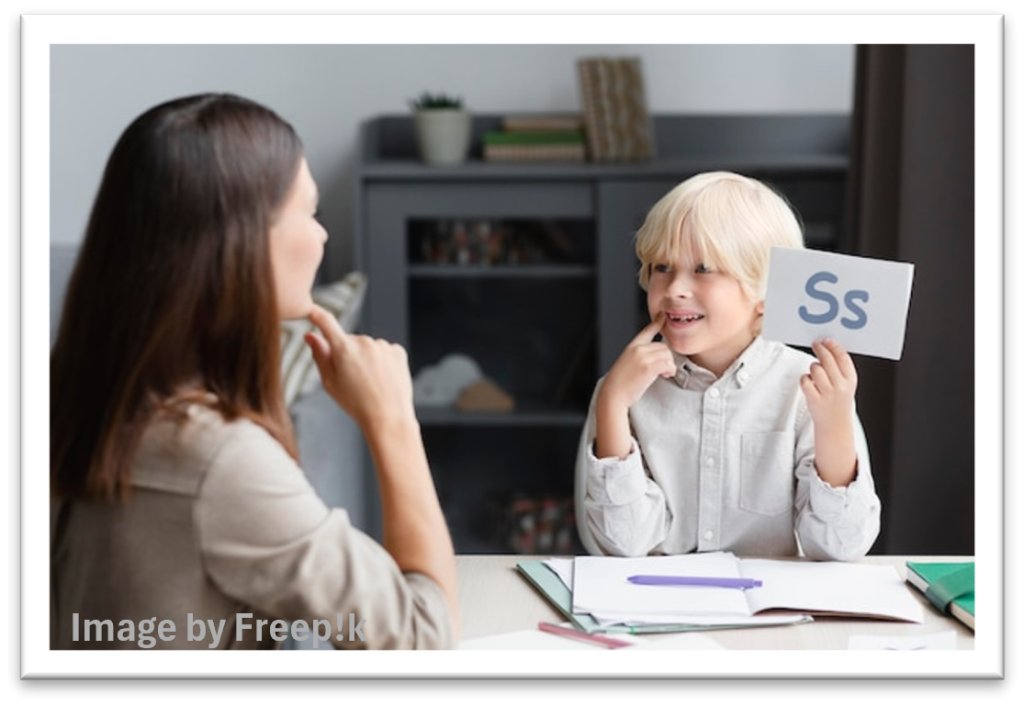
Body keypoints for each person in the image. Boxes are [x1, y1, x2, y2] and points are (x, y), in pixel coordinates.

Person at [50, 93, 458, 649]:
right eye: (309, 212)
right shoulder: (215, 459)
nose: (322, 236)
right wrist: (394, 422)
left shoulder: (75, 402)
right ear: (241, 242)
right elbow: (421, 640)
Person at [577, 171, 881, 561]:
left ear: (766, 292)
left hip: (775, 609)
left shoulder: (808, 391)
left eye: (703, 269)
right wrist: (612, 405)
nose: (674, 290)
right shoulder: (625, 389)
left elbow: (841, 547)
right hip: (660, 607)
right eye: (661, 267)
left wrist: (835, 424)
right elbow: (624, 543)